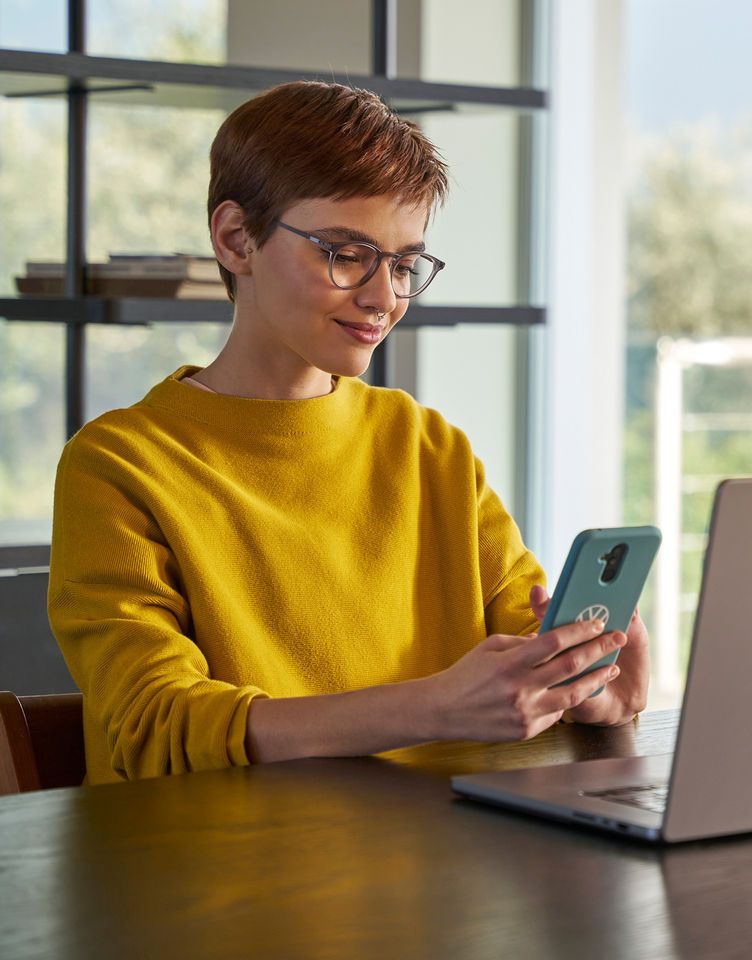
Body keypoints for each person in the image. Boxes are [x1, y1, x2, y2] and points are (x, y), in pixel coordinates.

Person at [47, 80, 650, 785]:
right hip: (233, 872)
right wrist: (431, 709)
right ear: (236, 238)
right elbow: (151, 726)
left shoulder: (430, 448)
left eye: (402, 264)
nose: (383, 296)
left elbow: (526, 656)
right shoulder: (119, 465)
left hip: (449, 862)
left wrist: (590, 692)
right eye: (345, 253)